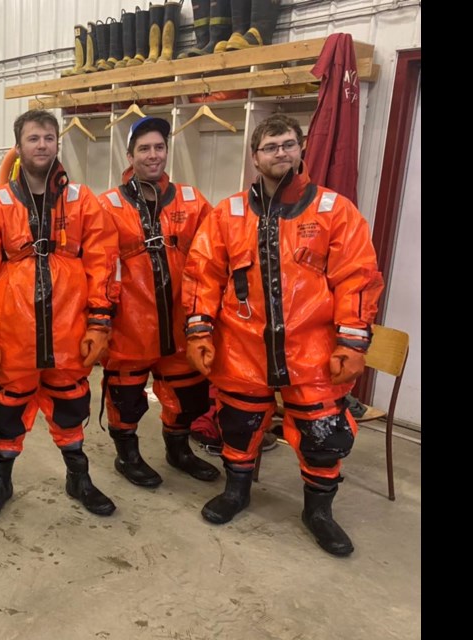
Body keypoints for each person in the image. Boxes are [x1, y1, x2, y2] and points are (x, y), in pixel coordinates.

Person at [182, 114, 383, 556]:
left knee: (323, 436)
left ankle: (319, 513)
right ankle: (237, 492)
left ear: (301, 149)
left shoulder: (334, 210)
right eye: (271, 147)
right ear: (255, 157)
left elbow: (357, 278)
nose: (280, 154)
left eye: (288, 145)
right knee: (237, 426)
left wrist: (351, 340)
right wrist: (199, 330)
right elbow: (202, 275)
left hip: (312, 353)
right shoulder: (227, 215)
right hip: (241, 349)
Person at [0, 109, 120, 520]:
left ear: (57, 142)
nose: (42, 144)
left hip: (70, 330)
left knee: (71, 402)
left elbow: (104, 260)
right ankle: (0, 480)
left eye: (49, 137)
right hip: (13, 334)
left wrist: (100, 321)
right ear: (19, 146)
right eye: (33, 138)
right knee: (7, 407)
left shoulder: (83, 201)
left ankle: (78, 476)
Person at [96, 116, 219, 487]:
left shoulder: (193, 201)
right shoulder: (107, 206)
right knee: (127, 398)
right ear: (130, 155)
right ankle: (127, 456)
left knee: (188, 397)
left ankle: (178, 450)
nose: (153, 155)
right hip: (129, 327)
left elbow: (213, 257)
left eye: (159, 147)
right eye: (144, 148)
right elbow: (96, 267)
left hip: (181, 326)